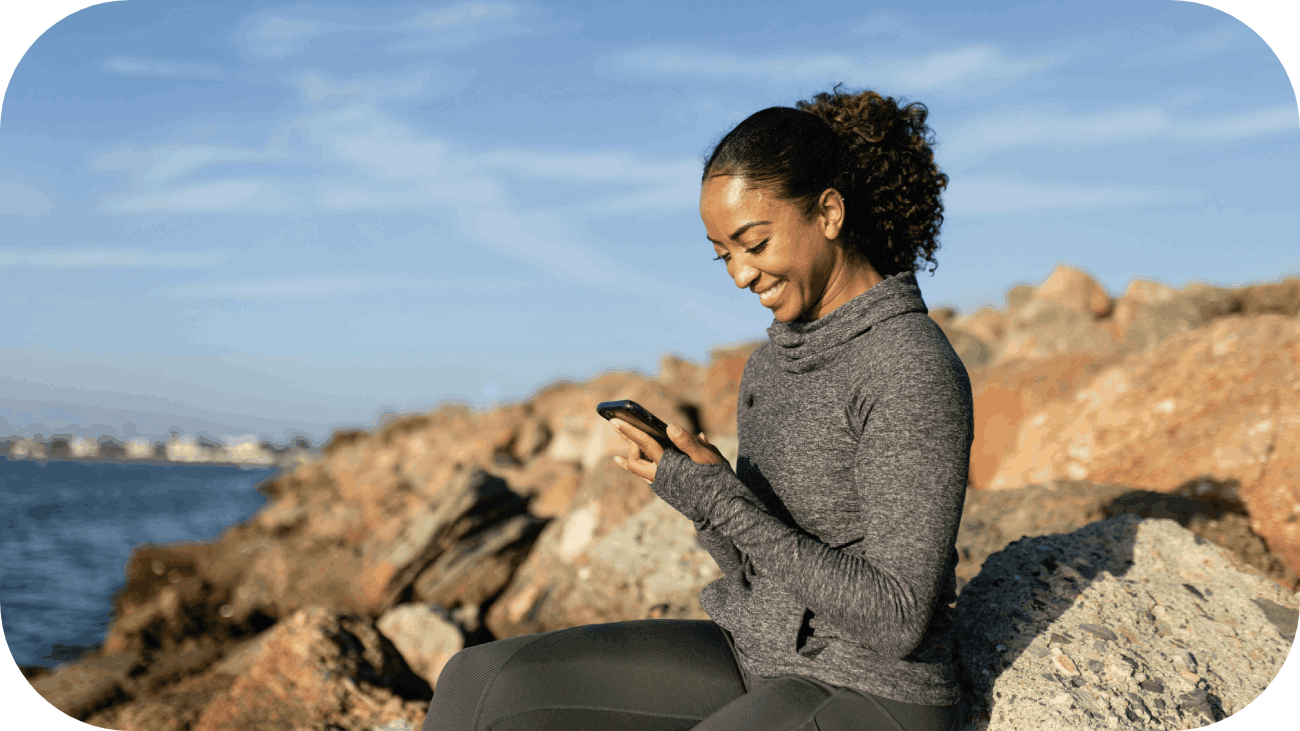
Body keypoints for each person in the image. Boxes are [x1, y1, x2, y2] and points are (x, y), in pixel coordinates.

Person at [422, 83, 971, 731]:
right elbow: (757, 565)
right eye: (724, 255)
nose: (741, 274)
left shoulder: (909, 365)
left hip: (874, 690)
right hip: (757, 655)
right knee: (480, 681)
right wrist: (700, 492)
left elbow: (897, 616)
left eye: (755, 243)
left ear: (828, 213)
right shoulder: (772, 364)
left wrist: (722, 502)